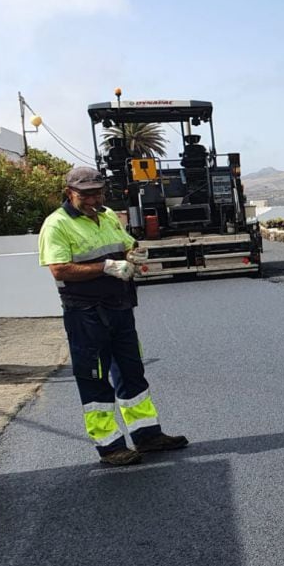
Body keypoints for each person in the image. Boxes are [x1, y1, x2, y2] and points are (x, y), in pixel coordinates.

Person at [38, 166, 188, 467]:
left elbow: (126, 244)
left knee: (132, 372)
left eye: (98, 192)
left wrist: (134, 254)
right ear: (70, 193)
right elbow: (59, 269)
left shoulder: (107, 216)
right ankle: (109, 447)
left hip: (119, 307)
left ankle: (147, 435)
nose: (94, 199)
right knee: (95, 380)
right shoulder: (56, 225)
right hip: (86, 314)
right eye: (86, 194)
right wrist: (106, 267)